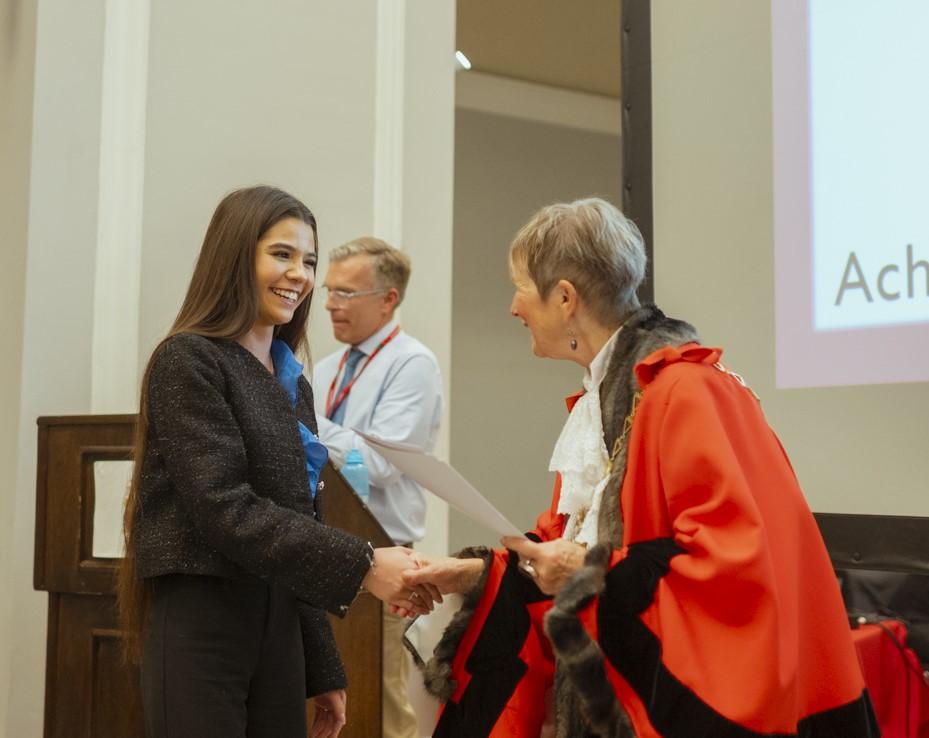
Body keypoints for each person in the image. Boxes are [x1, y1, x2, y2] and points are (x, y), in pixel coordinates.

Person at [404, 198, 878, 737]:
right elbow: (565, 546)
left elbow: (731, 561)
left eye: (519, 287)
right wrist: (471, 574)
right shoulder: (605, 401)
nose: (513, 307)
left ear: (564, 299)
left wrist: (587, 572)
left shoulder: (686, 390)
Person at [116, 186, 438, 738]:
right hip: (203, 623)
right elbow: (226, 509)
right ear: (235, 255)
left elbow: (299, 523)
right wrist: (364, 563)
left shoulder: (292, 382)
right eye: (282, 254)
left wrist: (322, 667)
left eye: (309, 260)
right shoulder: (188, 359)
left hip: (279, 632)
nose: (300, 275)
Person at [312, 237, 443, 738]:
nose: (328, 303)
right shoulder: (326, 369)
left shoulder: (412, 364)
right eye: (329, 290)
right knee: (330, 709)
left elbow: (381, 462)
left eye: (345, 293)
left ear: (388, 298)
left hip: (384, 559)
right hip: (326, 552)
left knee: (382, 707)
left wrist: (304, 426)